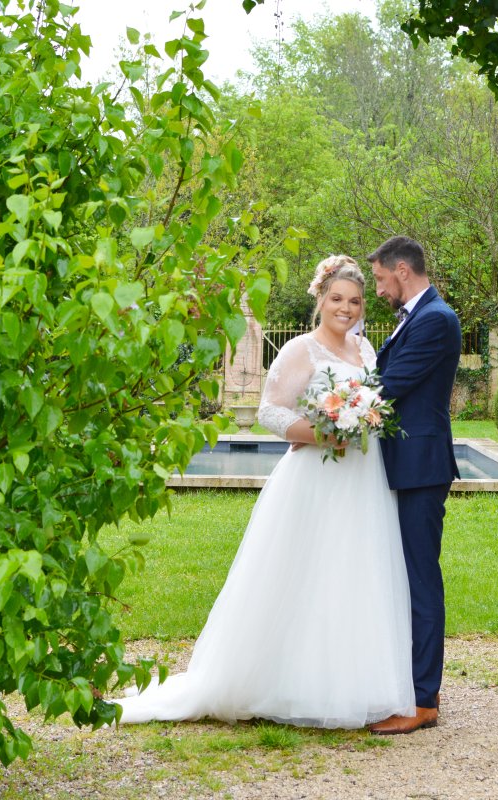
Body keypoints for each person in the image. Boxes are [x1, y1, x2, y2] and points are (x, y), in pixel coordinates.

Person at [114, 255, 415, 729]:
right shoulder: (302, 349)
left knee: (354, 572)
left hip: (362, 478)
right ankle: (282, 682)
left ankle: (352, 685)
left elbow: (372, 405)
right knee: (303, 572)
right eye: (337, 299)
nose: (347, 308)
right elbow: (270, 412)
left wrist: (364, 419)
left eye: (355, 301)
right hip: (315, 476)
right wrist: (325, 434)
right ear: (320, 298)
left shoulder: (367, 351)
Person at [366, 236, 461, 736]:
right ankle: (416, 682)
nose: (379, 290)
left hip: (421, 468)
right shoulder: (420, 316)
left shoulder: (436, 320)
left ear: (402, 270)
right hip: (405, 464)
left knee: (421, 580)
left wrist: (328, 407)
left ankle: (423, 700)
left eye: (381, 279)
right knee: (407, 578)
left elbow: (388, 386)